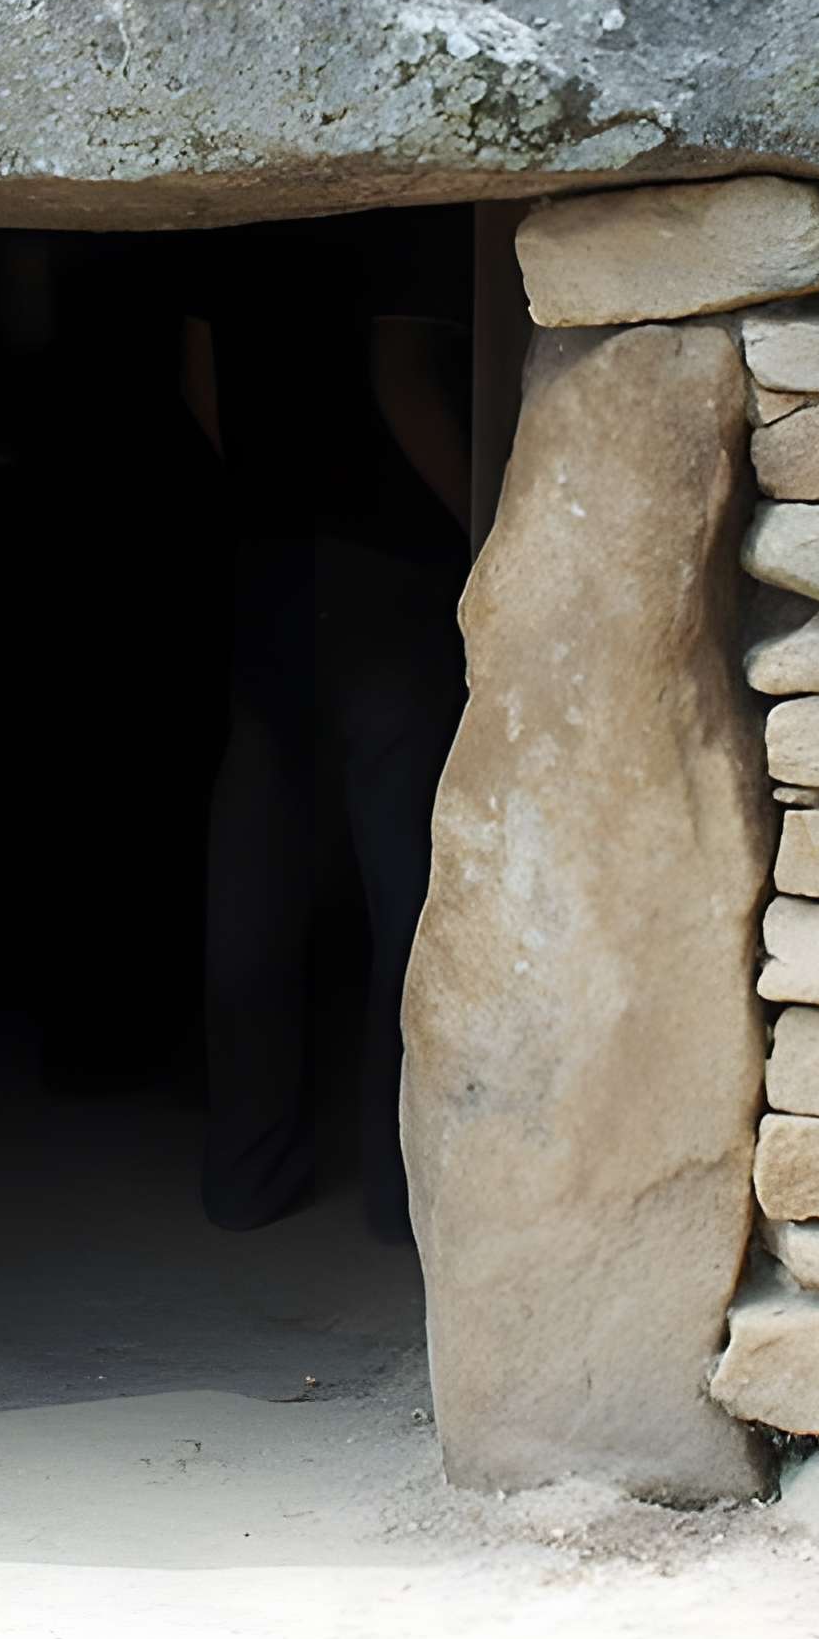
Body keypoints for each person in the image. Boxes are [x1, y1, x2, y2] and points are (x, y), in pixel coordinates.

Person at [182, 210, 472, 1241]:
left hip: (269, 566)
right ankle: (404, 1200)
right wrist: (481, 529)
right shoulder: (397, 201)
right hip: (386, 571)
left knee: (253, 860)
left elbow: (202, 378)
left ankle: (243, 1177)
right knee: (405, 884)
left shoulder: (237, 212)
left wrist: (269, 500)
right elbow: (401, 374)